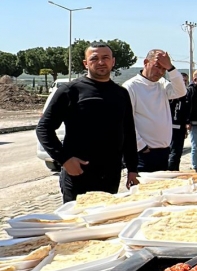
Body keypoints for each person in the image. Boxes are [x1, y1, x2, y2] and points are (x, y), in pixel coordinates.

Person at [36, 42, 138, 203]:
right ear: (85, 63)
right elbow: (43, 128)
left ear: (113, 61)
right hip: (78, 174)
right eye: (94, 58)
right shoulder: (70, 91)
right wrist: (64, 159)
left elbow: (129, 132)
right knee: (75, 223)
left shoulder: (121, 93)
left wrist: (133, 169)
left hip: (110, 175)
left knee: (105, 222)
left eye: (105, 58)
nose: (101, 62)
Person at [122, 49, 186, 172]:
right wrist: (141, 146)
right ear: (146, 62)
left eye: (164, 69)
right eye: (157, 67)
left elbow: (181, 91)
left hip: (163, 150)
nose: (160, 72)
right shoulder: (131, 86)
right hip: (143, 153)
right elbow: (126, 121)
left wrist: (171, 68)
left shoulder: (162, 84)